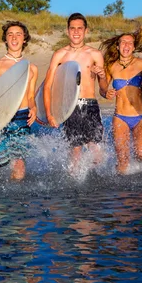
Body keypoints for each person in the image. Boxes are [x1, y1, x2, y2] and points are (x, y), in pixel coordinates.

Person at [44, 13, 108, 169]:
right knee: (75, 150)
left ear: (86, 31)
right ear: (67, 31)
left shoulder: (95, 54)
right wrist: (49, 114)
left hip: (90, 105)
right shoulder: (60, 55)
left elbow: (104, 89)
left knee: (96, 151)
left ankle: (93, 181)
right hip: (70, 107)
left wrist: (102, 75)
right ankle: (74, 183)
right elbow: (47, 85)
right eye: (73, 28)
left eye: (80, 28)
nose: (76, 32)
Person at [0, 21, 38, 180]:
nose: (14, 37)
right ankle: (0, 200)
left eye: (18, 34)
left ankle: (14, 202)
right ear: (5, 39)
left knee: (19, 165)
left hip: (21, 118)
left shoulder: (32, 68)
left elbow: (30, 95)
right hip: (0, 117)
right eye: (10, 34)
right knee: (1, 165)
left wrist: (33, 107)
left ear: (24, 39)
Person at [100, 26, 142, 174]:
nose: (126, 45)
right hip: (120, 117)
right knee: (123, 159)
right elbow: (103, 86)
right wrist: (106, 93)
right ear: (117, 46)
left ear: (134, 47)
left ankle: (137, 174)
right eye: (123, 42)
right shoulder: (111, 66)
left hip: (140, 116)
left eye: (130, 43)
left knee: (141, 154)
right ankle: (122, 190)